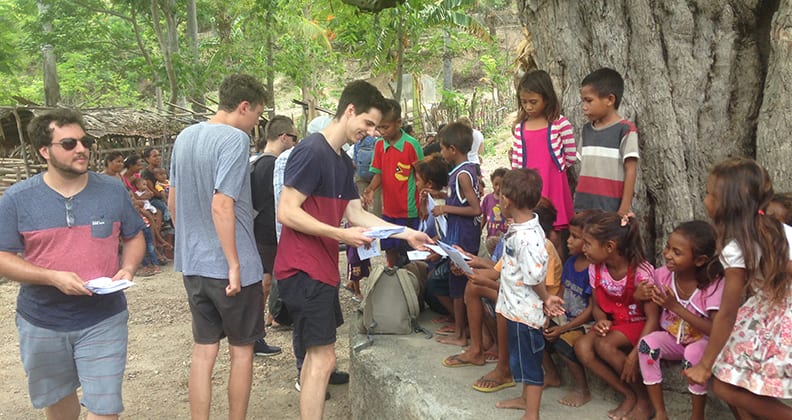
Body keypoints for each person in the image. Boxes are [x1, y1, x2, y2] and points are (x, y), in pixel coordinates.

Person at [274, 80, 432, 420]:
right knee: (324, 359)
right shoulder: (311, 151)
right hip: (302, 268)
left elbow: (355, 213)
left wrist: (407, 233)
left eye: (376, 126)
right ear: (349, 111)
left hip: (320, 268)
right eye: (369, 123)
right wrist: (340, 235)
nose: (372, 133)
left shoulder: (342, 162)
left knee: (318, 358)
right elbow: (286, 210)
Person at [0, 109, 145, 420]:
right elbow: (2, 258)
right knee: (60, 401)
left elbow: (134, 237)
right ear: (44, 151)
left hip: (104, 317)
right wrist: (51, 277)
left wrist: (128, 268)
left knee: (105, 408)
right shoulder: (16, 199)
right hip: (41, 320)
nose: (82, 149)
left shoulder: (112, 190)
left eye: (85, 141)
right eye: (69, 144)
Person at [168, 73, 268, 420]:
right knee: (242, 353)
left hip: (194, 266)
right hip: (231, 267)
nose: (256, 123)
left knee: (203, 352)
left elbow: (172, 201)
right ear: (244, 106)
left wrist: (192, 243)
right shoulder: (234, 140)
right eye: (257, 114)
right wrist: (234, 264)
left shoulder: (185, 136)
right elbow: (221, 204)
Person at [684, 158, 792, 419]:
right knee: (737, 384)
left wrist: (705, 364)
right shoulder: (781, 232)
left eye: (710, 194)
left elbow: (727, 312)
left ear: (727, 205)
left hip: (780, 318)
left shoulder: (738, 250)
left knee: (725, 384)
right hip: (770, 314)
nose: (706, 199)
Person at [633, 221, 724, 420]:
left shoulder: (713, 285)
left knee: (692, 354)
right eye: (668, 247)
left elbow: (715, 329)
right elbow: (644, 300)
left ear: (699, 260)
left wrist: (675, 307)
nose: (667, 255)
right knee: (647, 345)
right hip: (673, 338)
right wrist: (639, 295)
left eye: (676, 252)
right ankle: (660, 412)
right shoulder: (663, 275)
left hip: (703, 341)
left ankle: (697, 415)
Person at [490, 168, 561, 420]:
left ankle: (532, 413)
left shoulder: (525, 238)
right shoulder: (527, 226)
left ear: (506, 201)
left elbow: (533, 277)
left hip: (525, 313)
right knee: (522, 360)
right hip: (515, 308)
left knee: (530, 364)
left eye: (499, 195)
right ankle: (524, 399)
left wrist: (546, 298)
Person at [574, 211, 659, 420]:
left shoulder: (641, 273)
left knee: (604, 345)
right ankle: (628, 394)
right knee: (581, 347)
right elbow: (596, 305)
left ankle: (644, 399)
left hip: (638, 323)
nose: (583, 249)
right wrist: (601, 319)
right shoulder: (596, 267)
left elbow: (653, 319)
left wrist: (634, 355)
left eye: (587, 243)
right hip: (616, 322)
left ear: (610, 247)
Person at [250, 115, 299, 356]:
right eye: (294, 137)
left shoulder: (257, 163)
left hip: (261, 232)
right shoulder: (273, 165)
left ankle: (264, 324)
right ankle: (258, 332)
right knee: (269, 282)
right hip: (270, 234)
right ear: (284, 137)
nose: (295, 143)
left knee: (267, 281)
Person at [542, 209, 600, 408]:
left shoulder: (593, 269)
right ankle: (552, 374)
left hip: (585, 323)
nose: (568, 241)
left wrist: (563, 328)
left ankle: (582, 389)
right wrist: (551, 312)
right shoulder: (570, 262)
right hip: (566, 317)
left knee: (563, 343)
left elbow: (591, 310)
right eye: (570, 235)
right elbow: (562, 293)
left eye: (575, 237)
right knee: (534, 327)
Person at [431, 122, 482, 344]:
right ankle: (460, 329)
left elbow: (475, 209)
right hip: (457, 230)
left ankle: (461, 334)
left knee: (459, 283)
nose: (441, 153)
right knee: (455, 283)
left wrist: (445, 208)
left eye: (442, 148)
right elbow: (459, 198)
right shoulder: (461, 172)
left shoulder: (463, 174)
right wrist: (440, 195)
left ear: (453, 149)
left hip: (463, 233)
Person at [511, 70, 576, 236]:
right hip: (530, 188)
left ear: (546, 99)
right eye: (524, 102)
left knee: (556, 232)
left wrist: (557, 172)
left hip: (554, 184)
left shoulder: (559, 123)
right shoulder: (520, 127)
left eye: (533, 102)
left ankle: (556, 261)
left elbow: (570, 156)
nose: (528, 107)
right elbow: (517, 164)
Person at [362, 99, 424, 267]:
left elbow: (421, 177)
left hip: (409, 210)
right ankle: (393, 279)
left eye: (385, 127)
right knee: (390, 248)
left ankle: (411, 283)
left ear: (399, 123)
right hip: (388, 209)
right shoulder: (380, 145)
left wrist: (423, 204)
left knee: (409, 251)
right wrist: (371, 189)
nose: (381, 131)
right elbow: (379, 173)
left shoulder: (412, 145)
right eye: (378, 127)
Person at [574, 68, 639, 216]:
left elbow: (631, 170)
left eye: (589, 100)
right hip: (584, 207)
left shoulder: (625, 130)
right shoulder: (586, 130)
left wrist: (624, 208)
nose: (584, 107)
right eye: (583, 101)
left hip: (611, 209)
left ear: (610, 99)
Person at [481, 167, 508, 256]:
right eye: (496, 184)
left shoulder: (508, 200)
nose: (498, 188)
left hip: (505, 237)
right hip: (491, 236)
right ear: (492, 183)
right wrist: (479, 230)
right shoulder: (488, 199)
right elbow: (484, 216)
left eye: (502, 185)